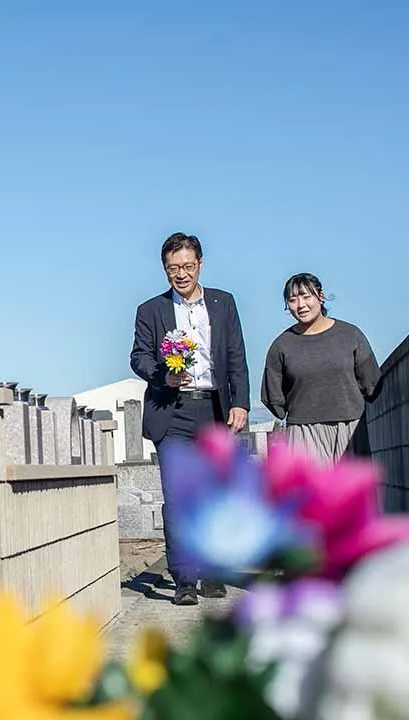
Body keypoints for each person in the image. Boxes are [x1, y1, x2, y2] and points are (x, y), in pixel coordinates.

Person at [129, 232, 250, 606]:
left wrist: (241, 403)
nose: (180, 274)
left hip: (214, 408)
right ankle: (183, 578)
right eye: (172, 268)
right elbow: (139, 357)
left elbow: (236, 357)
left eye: (187, 266)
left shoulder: (223, 303)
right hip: (172, 411)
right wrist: (163, 374)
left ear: (200, 264)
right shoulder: (151, 310)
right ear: (164, 270)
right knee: (178, 497)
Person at [261, 273, 381, 463]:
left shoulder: (350, 335)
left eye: (306, 296)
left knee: (349, 490)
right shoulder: (281, 345)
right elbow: (273, 396)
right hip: (302, 432)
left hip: (349, 428)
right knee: (307, 492)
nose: (301, 305)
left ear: (320, 296)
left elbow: (372, 382)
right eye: (292, 300)